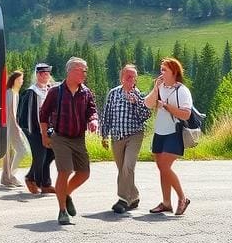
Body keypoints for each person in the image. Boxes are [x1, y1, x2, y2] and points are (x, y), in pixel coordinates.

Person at [38, 57, 99, 225]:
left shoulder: (85, 92)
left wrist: (93, 120)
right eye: (82, 71)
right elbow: (43, 114)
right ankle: (62, 210)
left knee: (84, 173)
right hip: (60, 137)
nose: (85, 74)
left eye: (85, 71)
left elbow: (91, 110)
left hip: (78, 138)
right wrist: (44, 135)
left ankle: (65, 194)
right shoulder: (55, 92)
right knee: (65, 171)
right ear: (71, 71)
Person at [101, 63, 152, 213]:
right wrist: (104, 135)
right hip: (117, 136)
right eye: (127, 76)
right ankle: (134, 197)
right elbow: (107, 115)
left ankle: (122, 200)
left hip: (135, 135)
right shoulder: (113, 93)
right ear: (122, 78)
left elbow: (145, 116)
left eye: (133, 77)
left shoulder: (139, 95)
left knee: (128, 167)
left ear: (136, 79)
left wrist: (136, 103)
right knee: (123, 170)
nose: (130, 79)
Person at [144, 57, 192, 216]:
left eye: (164, 69)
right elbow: (148, 104)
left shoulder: (182, 91)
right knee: (162, 169)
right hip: (159, 132)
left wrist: (165, 105)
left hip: (174, 132)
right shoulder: (160, 87)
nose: (161, 72)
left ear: (174, 72)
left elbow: (186, 114)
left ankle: (182, 198)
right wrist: (155, 88)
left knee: (164, 167)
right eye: (161, 69)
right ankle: (166, 203)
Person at [20, 62, 56, 195]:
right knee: (40, 154)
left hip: (49, 129)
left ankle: (39, 181)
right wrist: (34, 131)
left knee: (51, 153)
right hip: (34, 129)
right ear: (37, 75)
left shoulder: (51, 90)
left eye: (47, 73)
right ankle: (36, 181)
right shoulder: (31, 92)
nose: (45, 76)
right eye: (42, 73)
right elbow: (26, 115)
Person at [0, 70, 30, 188]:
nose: (22, 81)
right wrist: (17, 127)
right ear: (15, 80)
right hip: (9, 125)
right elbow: (11, 113)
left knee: (16, 151)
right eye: (20, 79)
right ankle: (9, 177)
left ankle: (8, 176)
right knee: (13, 151)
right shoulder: (10, 92)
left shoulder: (14, 93)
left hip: (11, 125)